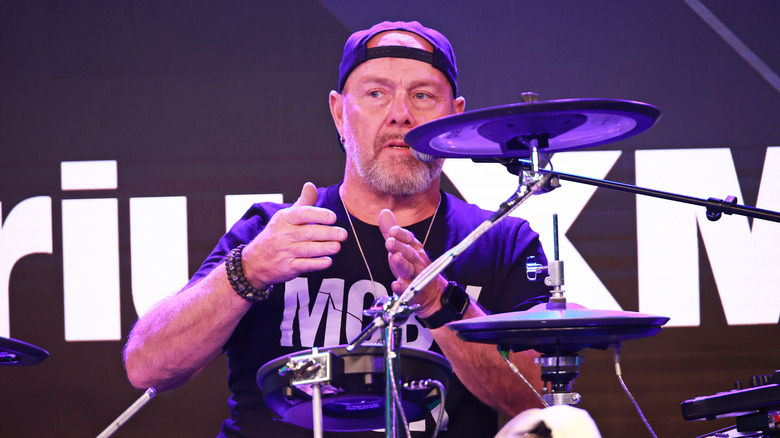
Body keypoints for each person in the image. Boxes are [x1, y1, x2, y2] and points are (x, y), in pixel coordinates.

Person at [123, 20, 551, 438]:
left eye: (423, 95)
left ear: (454, 117)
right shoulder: (268, 231)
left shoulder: (500, 241)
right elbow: (147, 367)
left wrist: (440, 302)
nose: (400, 115)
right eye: (376, 93)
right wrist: (249, 270)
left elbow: (540, 402)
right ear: (338, 113)